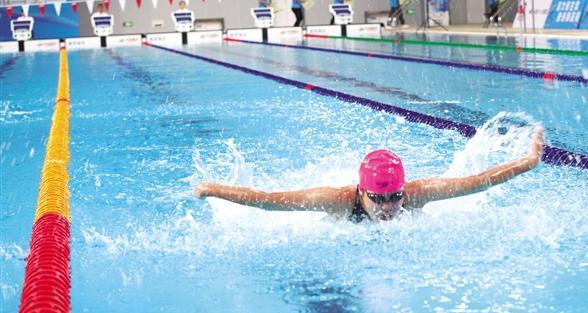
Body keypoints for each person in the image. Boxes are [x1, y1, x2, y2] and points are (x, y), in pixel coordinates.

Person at [194, 128, 543, 223]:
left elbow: (477, 182)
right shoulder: (337, 201)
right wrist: (215, 189)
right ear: (362, 192)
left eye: (395, 197)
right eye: (378, 198)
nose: (388, 207)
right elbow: (270, 202)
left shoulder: (417, 194)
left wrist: (528, 162)